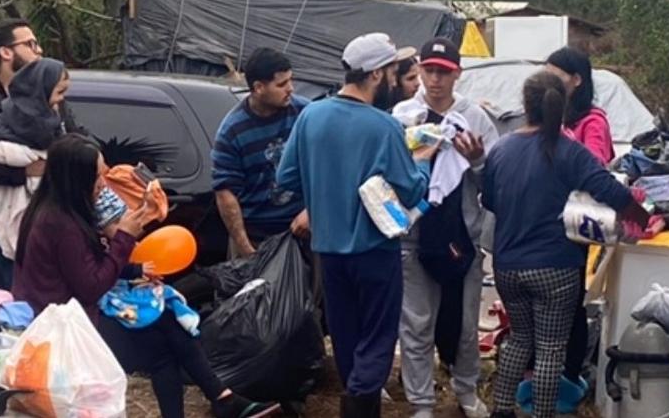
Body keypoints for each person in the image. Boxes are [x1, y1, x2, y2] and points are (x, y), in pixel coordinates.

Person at [13, 136, 281, 418]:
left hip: (72, 315)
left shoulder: (58, 212)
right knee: (164, 349)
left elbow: (84, 269)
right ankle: (223, 400)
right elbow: (91, 286)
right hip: (67, 329)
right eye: (98, 176)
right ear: (76, 179)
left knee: (166, 321)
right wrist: (125, 237)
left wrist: (136, 271)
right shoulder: (62, 225)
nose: (104, 184)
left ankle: (223, 398)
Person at [276, 32, 437, 417]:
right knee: (378, 341)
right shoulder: (383, 127)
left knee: (347, 340)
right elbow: (412, 191)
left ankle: (358, 400)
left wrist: (323, 187)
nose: (397, 82)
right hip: (375, 252)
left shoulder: (311, 115)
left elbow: (286, 178)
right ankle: (359, 408)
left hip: (328, 251)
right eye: (395, 74)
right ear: (378, 74)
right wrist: (423, 159)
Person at [483, 71, 649, 418]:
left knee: (519, 340)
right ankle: (543, 414)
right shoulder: (570, 152)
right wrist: (643, 216)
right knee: (550, 350)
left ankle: (501, 411)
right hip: (555, 268)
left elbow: (491, 201)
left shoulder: (501, 149)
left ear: (525, 106)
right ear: (562, 104)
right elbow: (611, 191)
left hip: (508, 267)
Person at [392, 37, 499, 418]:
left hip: (463, 238)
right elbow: (386, 175)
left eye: (444, 72)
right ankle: (422, 402)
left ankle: (466, 391)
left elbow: (494, 185)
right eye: (430, 70)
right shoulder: (403, 116)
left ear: (458, 75)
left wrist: (477, 162)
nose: (435, 80)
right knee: (417, 325)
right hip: (415, 236)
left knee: (467, 325)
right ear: (419, 69)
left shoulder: (476, 118)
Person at [0, 19, 85, 288]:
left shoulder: (51, 95)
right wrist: (21, 172)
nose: (39, 50)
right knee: (12, 307)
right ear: (6, 52)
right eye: (30, 44)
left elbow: (78, 140)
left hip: (51, 220)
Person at [0, 58, 70, 267]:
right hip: (10, 233)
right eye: (59, 92)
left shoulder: (55, 121)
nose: (62, 100)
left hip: (44, 234)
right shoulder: (8, 125)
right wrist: (24, 173)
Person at [211, 47, 310, 258]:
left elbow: (327, 167)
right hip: (256, 235)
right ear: (258, 87)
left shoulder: (305, 114)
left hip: (303, 228)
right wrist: (244, 247)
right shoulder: (232, 131)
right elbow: (225, 192)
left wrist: (312, 212)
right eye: (282, 84)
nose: (291, 89)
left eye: (291, 81)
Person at [546, 47, 614, 166]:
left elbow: (594, 164)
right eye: (546, 78)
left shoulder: (593, 123)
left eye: (555, 78)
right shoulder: (551, 117)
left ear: (576, 80)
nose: (548, 84)